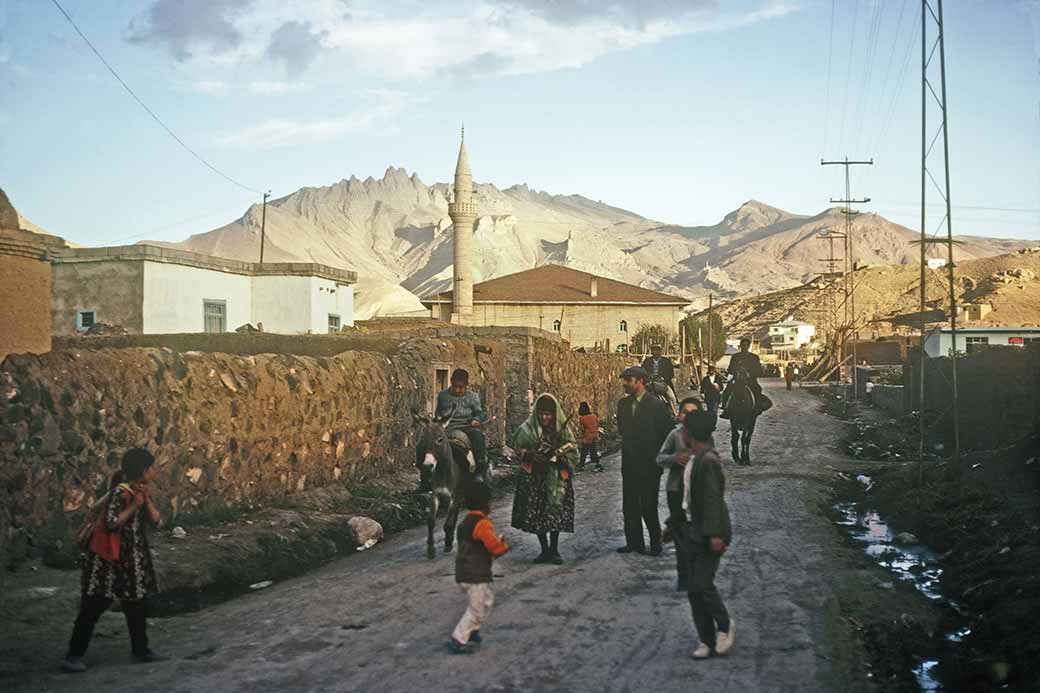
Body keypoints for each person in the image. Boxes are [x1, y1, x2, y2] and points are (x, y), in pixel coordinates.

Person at [62, 448, 166, 673]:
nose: (154, 471)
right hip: (108, 559)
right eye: (152, 467)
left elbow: (157, 521)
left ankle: (141, 650)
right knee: (93, 605)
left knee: (136, 604)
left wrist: (144, 501)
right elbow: (111, 523)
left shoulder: (138, 492)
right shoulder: (121, 493)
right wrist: (134, 506)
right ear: (143, 470)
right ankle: (73, 655)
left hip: (130, 559)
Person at [681, 410, 735, 659]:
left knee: (702, 583)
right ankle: (706, 640)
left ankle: (724, 626)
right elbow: (690, 501)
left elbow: (713, 500)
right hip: (695, 531)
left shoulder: (708, 461)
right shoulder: (695, 459)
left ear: (689, 434)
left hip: (711, 533)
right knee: (694, 588)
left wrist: (714, 535)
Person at [511, 393, 577, 564]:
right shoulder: (527, 430)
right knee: (537, 513)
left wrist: (561, 457)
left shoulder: (562, 430)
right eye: (541, 414)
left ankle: (554, 550)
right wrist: (531, 455)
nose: (544, 417)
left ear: (554, 414)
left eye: (548, 414)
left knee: (554, 514)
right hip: (535, 478)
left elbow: (572, 449)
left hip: (555, 478)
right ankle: (544, 550)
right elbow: (518, 449)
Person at [616, 366, 674, 556]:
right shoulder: (622, 405)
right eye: (624, 380)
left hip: (649, 465)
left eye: (628, 380)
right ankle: (634, 543)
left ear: (640, 381)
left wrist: (659, 459)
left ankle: (655, 543)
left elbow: (666, 435)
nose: (625, 384)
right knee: (629, 505)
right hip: (630, 464)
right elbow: (622, 431)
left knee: (648, 506)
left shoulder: (656, 406)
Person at [450, 480, 510, 654]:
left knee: (486, 600)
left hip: (464, 571)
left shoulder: (465, 522)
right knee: (477, 608)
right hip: (474, 573)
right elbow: (494, 547)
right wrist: (503, 544)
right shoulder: (482, 523)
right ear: (486, 502)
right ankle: (459, 637)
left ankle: (473, 629)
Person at [657, 396, 705, 591]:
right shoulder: (674, 436)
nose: (687, 416)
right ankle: (684, 575)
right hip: (676, 490)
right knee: (681, 536)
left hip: (697, 492)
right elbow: (660, 458)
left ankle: (697, 571)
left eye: (692, 413)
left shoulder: (704, 437)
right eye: (684, 412)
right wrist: (675, 458)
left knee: (696, 534)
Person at [417, 369, 488, 491]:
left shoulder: (473, 397)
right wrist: (435, 426)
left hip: (467, 426)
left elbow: (479, 412)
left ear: (466, 385)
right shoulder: (443, 396)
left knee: (478, 437)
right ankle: (425, 478)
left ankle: (479, 471)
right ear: (451, 382)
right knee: (424, 443)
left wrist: (476, 419)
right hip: (447, 427)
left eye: (461, 387)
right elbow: (438, 413)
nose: (457, 389)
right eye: (454, 386)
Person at [577, 401, 603, 473]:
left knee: (584, 451)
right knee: (593, 450)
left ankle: (581, 466)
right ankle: (597, 463)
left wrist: (581, 435)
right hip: (595, 435)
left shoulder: (582, 418)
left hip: (588, 436)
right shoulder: (594, 416)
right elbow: (596, 424)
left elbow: (582, 429)